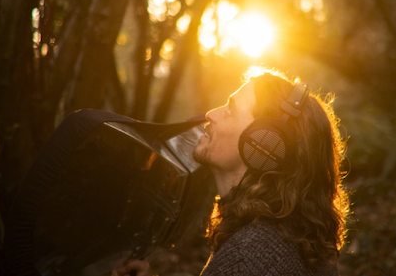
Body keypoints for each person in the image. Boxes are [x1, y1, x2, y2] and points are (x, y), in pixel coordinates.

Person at [113, 67, 349, 276]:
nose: (211, 114)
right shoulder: (285, 238)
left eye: (229, 110)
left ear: (264, 144)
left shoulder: (248, 256)